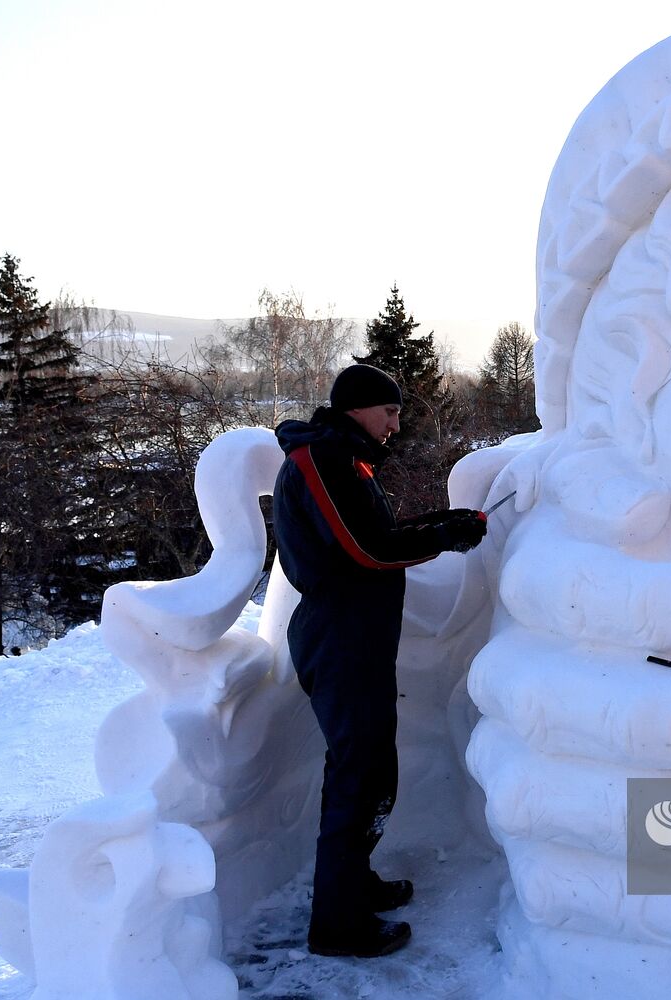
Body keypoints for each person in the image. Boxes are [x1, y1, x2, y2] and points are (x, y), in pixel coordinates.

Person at [271, 363, 486, 958]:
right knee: (358, 774)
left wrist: (443, 524)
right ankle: (338, 924)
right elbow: (366, 549)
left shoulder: (348, 460)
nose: (396, 423)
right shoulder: (321, 460)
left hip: (357, 636)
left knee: (371, 772)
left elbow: (374, 534)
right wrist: (444, 537)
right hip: (338, 635)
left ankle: (354, 885)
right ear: (357, 408)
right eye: (388, 411)